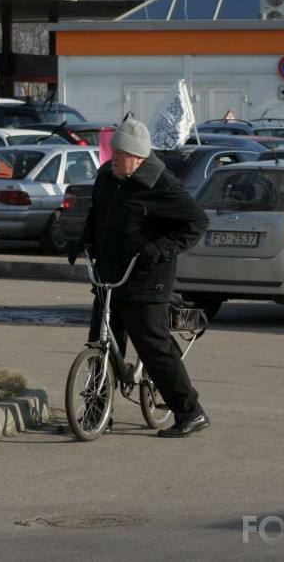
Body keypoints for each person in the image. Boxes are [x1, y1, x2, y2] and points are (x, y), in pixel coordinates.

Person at [68, 117, 210, 438]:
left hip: (148, 280)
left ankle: (190, 412)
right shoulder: (106, 177)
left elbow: (196, 222)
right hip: (109, 278)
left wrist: (160, 248)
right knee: (100, 345)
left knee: (154, 349)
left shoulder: (160, 184)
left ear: (140, 158)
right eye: (114, 151)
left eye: (122, 154)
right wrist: (84, 240)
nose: (114, 158)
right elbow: (97, 213)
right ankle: (97, 412)